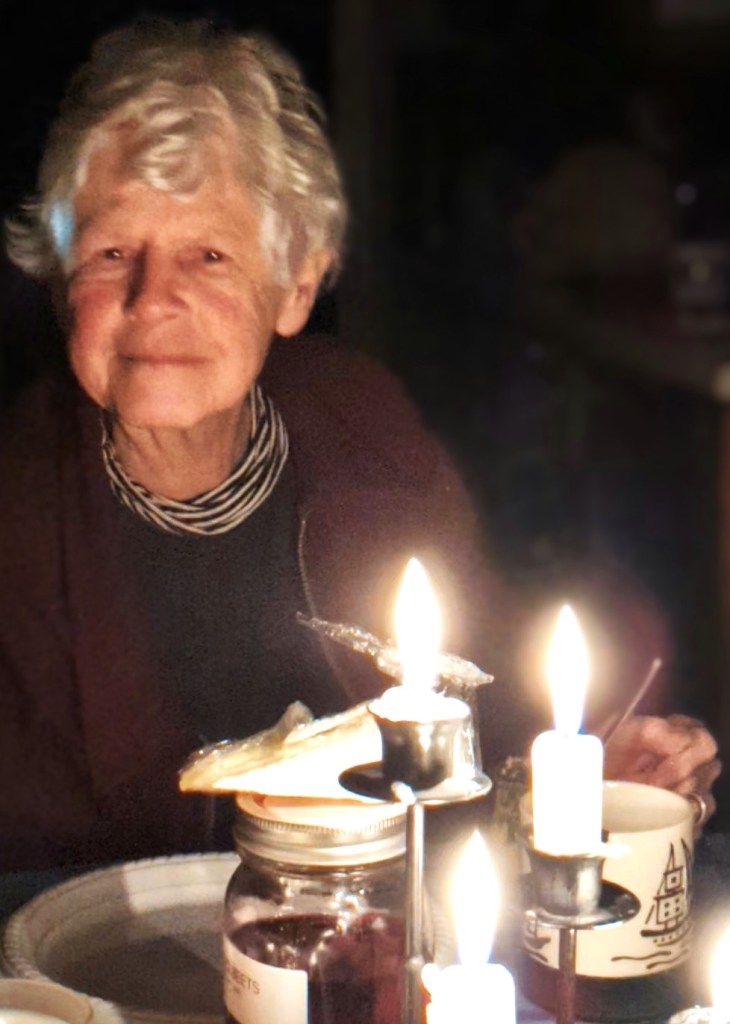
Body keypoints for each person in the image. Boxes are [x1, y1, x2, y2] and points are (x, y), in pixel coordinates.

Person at [0, 16, 719, 871]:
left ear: (295, 288)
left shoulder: (360, 421)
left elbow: (480, 727)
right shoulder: (20, 506)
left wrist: (581, 779)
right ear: (62, 282)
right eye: (113, 251)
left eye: (209, 256)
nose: (153, 298)